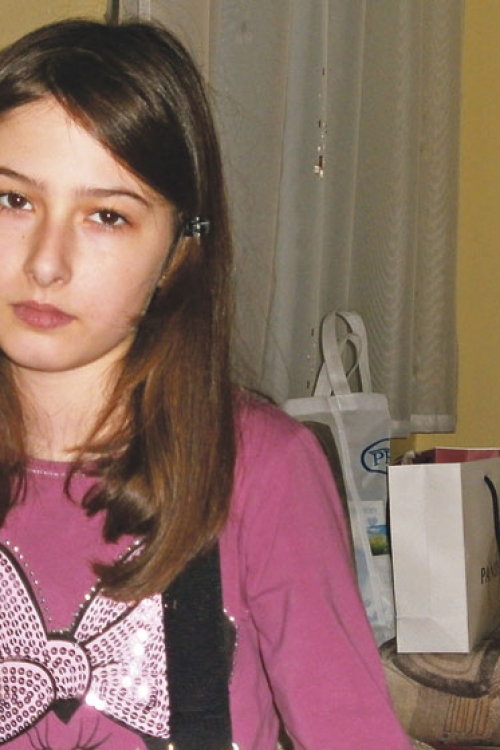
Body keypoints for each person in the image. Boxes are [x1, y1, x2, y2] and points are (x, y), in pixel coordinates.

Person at [0, 18, 413, 750]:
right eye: (14, 201)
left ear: (180, 249)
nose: (46, 263)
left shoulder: (261, 469)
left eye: (106, 216)